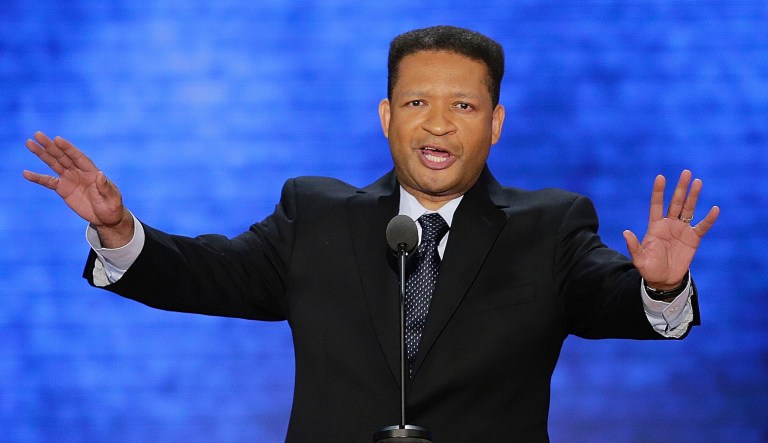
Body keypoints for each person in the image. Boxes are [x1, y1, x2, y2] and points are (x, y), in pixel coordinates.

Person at [23, 26, 719, 442]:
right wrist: (118, 229)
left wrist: (659, 285)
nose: (438, 124)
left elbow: (615, 301)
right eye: (417, 102)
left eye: (464, 106)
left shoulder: (551, 225)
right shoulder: (316, 215)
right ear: (387, 115)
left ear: (496, 124)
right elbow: (206, 273)